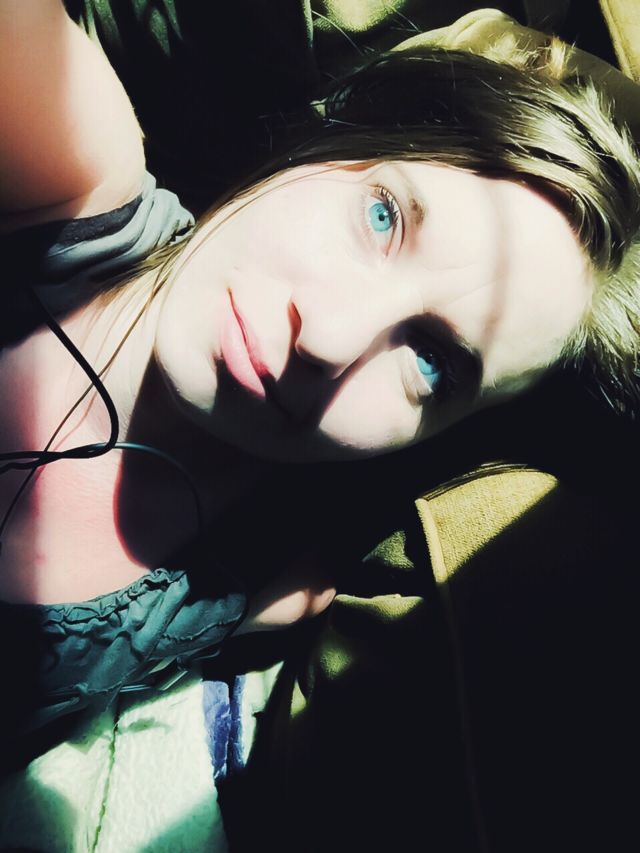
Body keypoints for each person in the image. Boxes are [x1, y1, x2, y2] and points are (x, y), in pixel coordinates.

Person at [1, 0, 639, 759]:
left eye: (432, 360)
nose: (329, 339)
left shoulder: (269, 577)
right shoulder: (65, 174)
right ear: (333, 144)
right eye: (383, 219)